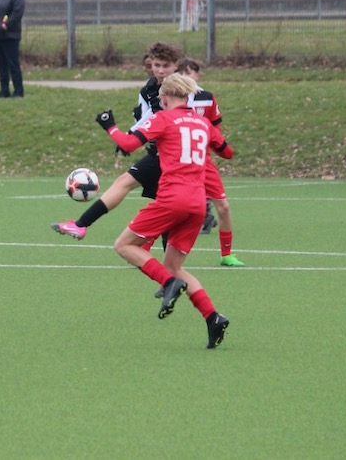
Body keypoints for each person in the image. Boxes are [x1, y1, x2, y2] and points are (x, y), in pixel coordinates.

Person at [96, 73, 235, 348]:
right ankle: (213, 317)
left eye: (161, 98)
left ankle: (168, 283)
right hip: (197, 204)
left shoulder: (163, 118)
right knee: (175, 266)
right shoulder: (203, 122)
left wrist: (109, 126)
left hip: (172, 198)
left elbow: (128, 144)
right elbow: (227, 152)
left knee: (124, 245)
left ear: (166, 97)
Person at [52, 41, 182, 240]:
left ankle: (80, 225)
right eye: (157, 65)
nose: (161, 71)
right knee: (163, 205)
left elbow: (189, 119)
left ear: (176, 65)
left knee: (126, 184)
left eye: (166, 66)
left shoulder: (184, 90)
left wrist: (116, 131)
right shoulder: (149, 89)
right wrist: (129, 135)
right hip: (160, 150)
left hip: (174, 154)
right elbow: (147, 119)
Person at [178, 57, 244, 267]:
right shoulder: (172, 99)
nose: (186, 77)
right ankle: (144, 245)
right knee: (172, 207)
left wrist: (217, 144)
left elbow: (215, 128)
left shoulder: (207, 98)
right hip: (179, 162)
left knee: (223, 207)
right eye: (182, 73)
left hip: (202, 160)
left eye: (190, 72)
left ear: (197, 75)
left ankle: (227, 254)